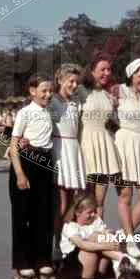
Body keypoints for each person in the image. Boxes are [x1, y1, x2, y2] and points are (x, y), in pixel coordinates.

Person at [7, 74, 57, 279]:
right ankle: (22, 262)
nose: (47, 94)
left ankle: (43, 259)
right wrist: (20, 173)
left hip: (45, 162)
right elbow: (14, 144)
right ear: (32, 91)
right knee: (23, 215)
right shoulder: (25, 113)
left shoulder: (50, 112)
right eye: (43, 90)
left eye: (50, 90)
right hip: (27, 162)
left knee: (44, 214)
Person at [111, 58, 140, 258]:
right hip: (122, 143)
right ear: (131, 76)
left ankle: (122, 234)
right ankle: (130, 241)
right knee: (125, 197)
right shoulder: (117, 90)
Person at [60, 194, 140, 279]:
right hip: (75, 266)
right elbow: (82, 244)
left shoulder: (95, 221)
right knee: (96, 236)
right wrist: (107, 246)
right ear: (77, 212)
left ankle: (121, 270)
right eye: (90, 212)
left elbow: (106, 235)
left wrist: (111, 234)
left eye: (94, 211)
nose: (93, 214)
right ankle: (131, 262)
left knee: (105, 235)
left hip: (99, 267)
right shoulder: (70, 226)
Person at [77, 55, 122, 219]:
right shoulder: (80, 91)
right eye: (102, 69)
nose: (107, 73)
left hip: (105, 146)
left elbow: (114, 125)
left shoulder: (107, 95)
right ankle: (77, 239)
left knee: (100, 201)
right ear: (91, 71)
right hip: (86, 146)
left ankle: (99, 235)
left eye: (109, 69)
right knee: (83, 200)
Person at [50, 64, 88, 257]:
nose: (74, 85)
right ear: (60, 80)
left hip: (74, 150)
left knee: (76, 201)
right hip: (60, 150)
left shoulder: (76, 103)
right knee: (62, 202)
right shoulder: (52, 101)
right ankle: (56, 244)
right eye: (70, 81)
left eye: (76, 82)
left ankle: (69, 240)